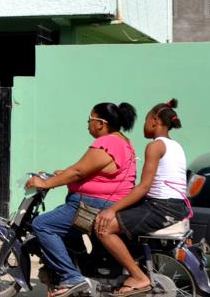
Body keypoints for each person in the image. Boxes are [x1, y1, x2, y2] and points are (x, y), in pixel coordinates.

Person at [25, 102, 138, 296]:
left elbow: (78, 171)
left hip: (94, 203)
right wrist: (63, 174)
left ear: (101, 123)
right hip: (105, 202)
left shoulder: (107, 143)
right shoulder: (122, 141)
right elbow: (93, 171)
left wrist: (45, 183)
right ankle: (81, 268)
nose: (88, 124)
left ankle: (71, 277)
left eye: (90, 119)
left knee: (42, 224)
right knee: (67, 229)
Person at [95, 100, 189, 296]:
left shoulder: (155, 146)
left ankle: (138, 276)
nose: (144, 125)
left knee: (104, 228)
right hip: (176, 206)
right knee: (122, 217)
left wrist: (112, 209)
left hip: (160, 207)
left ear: (155, 120)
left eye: (146, 120)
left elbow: (144, 186)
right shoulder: (176, 146)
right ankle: (131, 267)